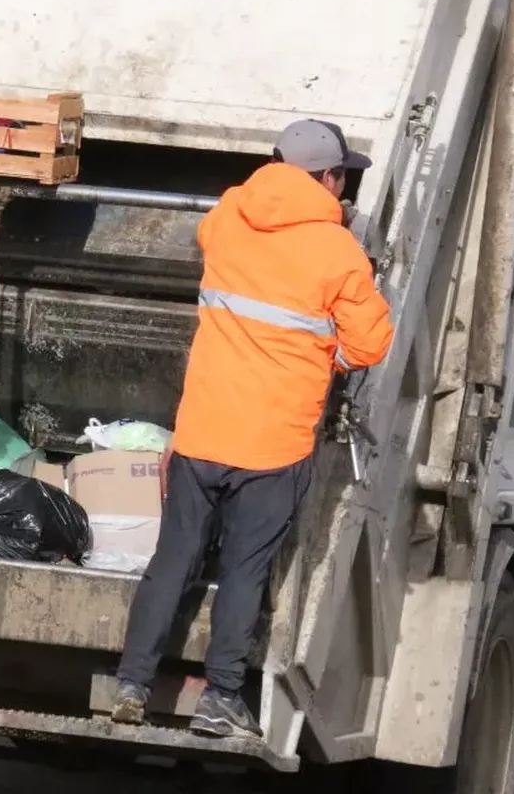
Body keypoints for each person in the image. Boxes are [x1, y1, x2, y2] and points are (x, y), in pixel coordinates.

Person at [110, 118, 394, 738]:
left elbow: (214, 237)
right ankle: (221, 699)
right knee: (245, 570)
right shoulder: (338, 251)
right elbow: (371, 345)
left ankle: (131, 682)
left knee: (173, 559)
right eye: (341, 178)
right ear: (329, 177)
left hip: (202, 432)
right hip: (274, 444)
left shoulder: (229, 216)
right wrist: (328, 357)